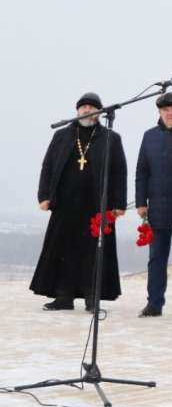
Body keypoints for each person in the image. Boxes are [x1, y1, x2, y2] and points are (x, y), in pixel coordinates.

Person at [31, 92, 127, 311]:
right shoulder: (62, 136)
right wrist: (44, 196)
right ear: (77, 111)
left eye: (92, 106)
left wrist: (118, 203)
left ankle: (92, 298)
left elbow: (120, 172)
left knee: (93, 252)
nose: (87, 110)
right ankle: (63, 297)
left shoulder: (111, 137)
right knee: (64, 250)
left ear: (100, 112)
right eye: (83, 107)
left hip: (97, 204)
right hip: (65, 203)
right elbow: (47, 166)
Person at [135, 92, 172, 318]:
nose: (170, 112)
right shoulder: (150, 136)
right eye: (165, 109)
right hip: (157, 207)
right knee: (156, 259)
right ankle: (154, 303)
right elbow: (142, 171)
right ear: (159, 112)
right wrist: (141, 201)